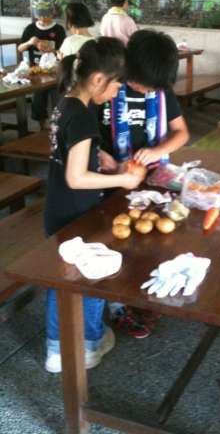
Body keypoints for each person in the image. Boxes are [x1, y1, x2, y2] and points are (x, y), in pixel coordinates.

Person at [44, 37, 144, 373]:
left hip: (58, 208)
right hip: (78, 211)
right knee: (91, 278)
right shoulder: (84, 117)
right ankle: (88, 344)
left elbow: (71, 152)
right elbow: (76, 177)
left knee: (62, 278)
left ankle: (56, 349)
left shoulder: (67, 103)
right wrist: (123, 180)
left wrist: (100, 157)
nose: (116, 93)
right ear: (99, 79)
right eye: (116, 85)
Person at [97, 29, 189, 337]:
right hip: (108, 183)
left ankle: (141, 291)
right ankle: (116, 305)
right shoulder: (108, 88)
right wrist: (102, 156)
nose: (149, 89)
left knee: (149, 240)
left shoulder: (161, 90)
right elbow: (82, 136)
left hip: (151, 182)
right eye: (143, 84)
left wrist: (159, 151)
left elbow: (181, 132)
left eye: (154, 86)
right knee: (112, 242)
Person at [18, 0, 66, 129]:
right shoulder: (30, 29)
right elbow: (20, 48)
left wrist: (51, 49)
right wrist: (29, 42)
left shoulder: (58, 29)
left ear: (52, 12)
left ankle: (58, 128)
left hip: (54, 72)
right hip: (36, 72)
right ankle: (42, 128)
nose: (43, 18)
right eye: (40, 16)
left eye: (46, 15)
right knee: (38, 101)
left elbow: (63, 52)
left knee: (58, 101)